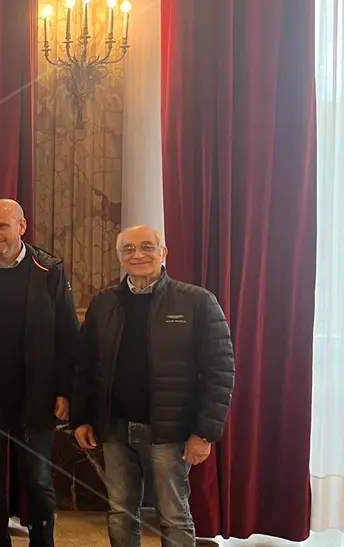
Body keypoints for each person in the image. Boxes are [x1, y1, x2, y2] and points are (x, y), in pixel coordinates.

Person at [72, 225, 235, 547]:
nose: (138, 255)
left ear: (163, 253)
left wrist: (204, 433)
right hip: (115, 429)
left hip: (170, 432)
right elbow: (85, 367)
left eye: (147, 247)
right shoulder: (103, 303)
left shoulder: (198, 302)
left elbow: (220, 371)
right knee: (120, 513)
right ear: (120, 257)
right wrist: (81, 418)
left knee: (173, 515)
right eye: (128, 249)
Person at [0, 198, 79, 547]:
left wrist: (65, 391)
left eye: (2, 225)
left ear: (22, 227)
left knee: (38, 480)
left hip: (36, 397)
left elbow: (68, 336)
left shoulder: (49, 271)